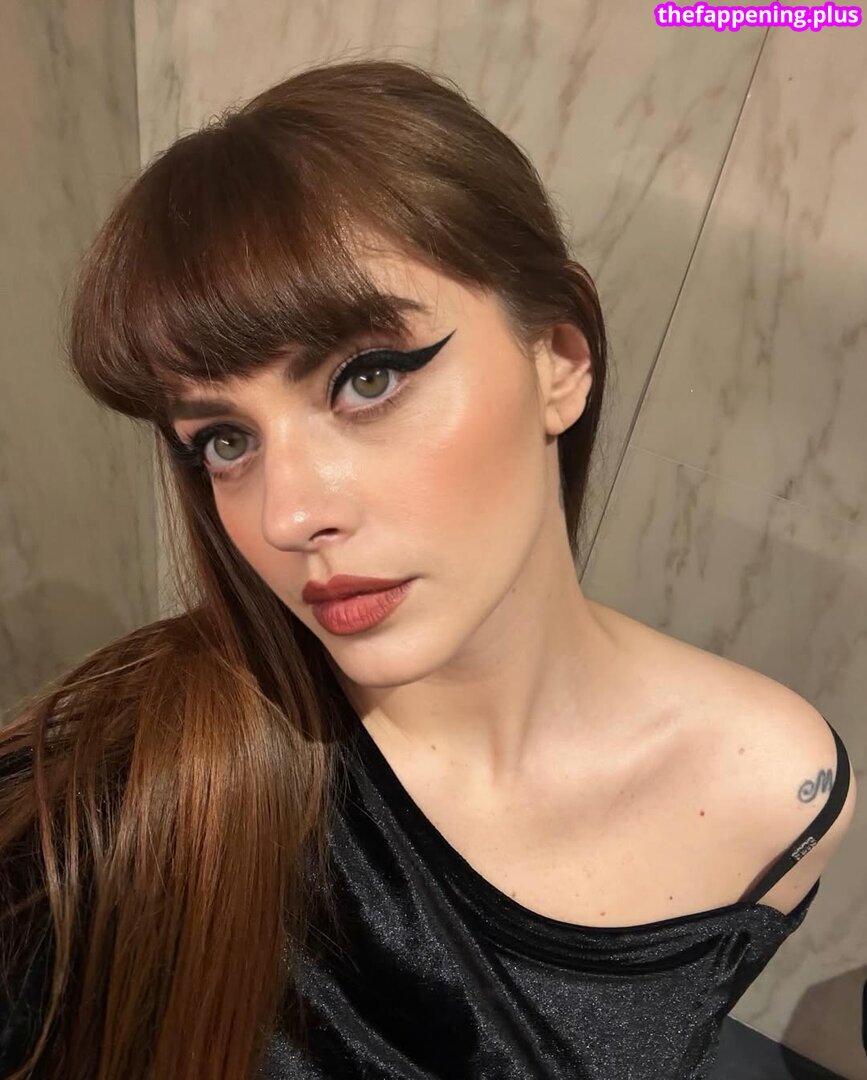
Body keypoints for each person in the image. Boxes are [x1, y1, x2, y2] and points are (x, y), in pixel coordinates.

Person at [0, 56, 856, 1080]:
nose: (289, 515)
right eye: (224, 441)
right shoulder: (135, 780)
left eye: (366, 378)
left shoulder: (778, 787)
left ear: (560, 362)